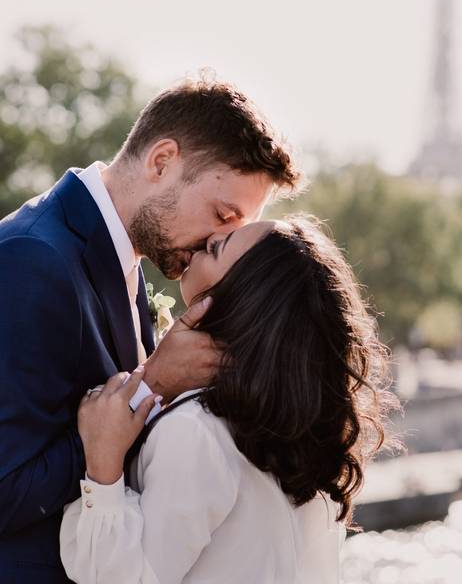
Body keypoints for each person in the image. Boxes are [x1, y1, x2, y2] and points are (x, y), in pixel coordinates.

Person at [0, 77, 300, 583]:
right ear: (161, 161)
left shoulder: (122, 260)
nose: (216, 240)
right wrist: (153, 384)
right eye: (220, 215)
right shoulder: (29, 258)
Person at [62, 216, 400, 583]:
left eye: (216, 249)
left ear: (239, 299)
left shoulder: (195, 431)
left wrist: (103, 470)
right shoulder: (301, 435)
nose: (207, 237)